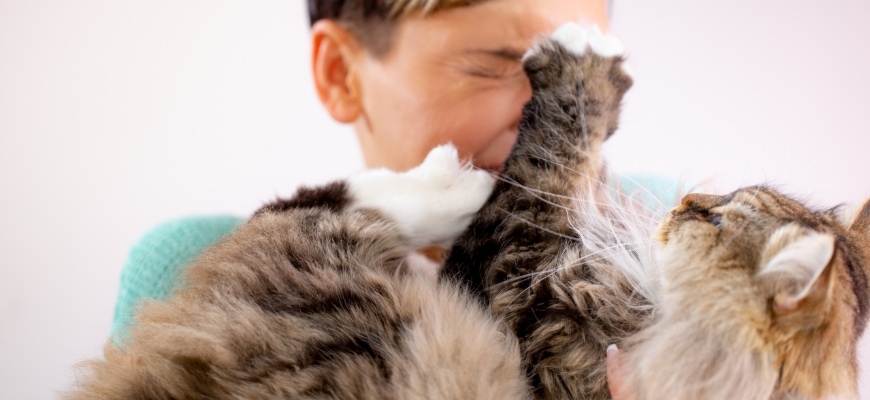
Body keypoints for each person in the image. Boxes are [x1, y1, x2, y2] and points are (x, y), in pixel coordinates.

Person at [113, 0, 644, 397]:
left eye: (598, 72)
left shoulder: (671, 230)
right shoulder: (198, 265)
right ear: (340, 74)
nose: (552, 109)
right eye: (489, 67)